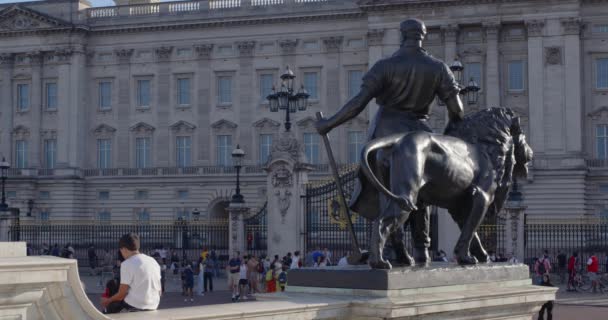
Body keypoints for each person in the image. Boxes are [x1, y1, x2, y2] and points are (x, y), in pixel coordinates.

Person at [315, 18, 464, 267]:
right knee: (422, 193)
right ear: (423, 36)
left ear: (401, 35)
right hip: (420, 131)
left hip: (385, 133)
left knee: (386, 194)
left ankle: (393, 247)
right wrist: (449, 136)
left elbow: (358, 103)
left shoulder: (385, 66)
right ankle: (421, 250)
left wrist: (328, 124)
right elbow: (457, 111)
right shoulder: (438, 68)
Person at [101, 233, 162, 314]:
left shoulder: (127, 264)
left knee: (110, 308)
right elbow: (160, 291)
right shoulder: (153, 261)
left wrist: (108, 301)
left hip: (135, 306)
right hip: (154, 305)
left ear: (124, 249)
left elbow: (121, 295)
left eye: (121, 251)